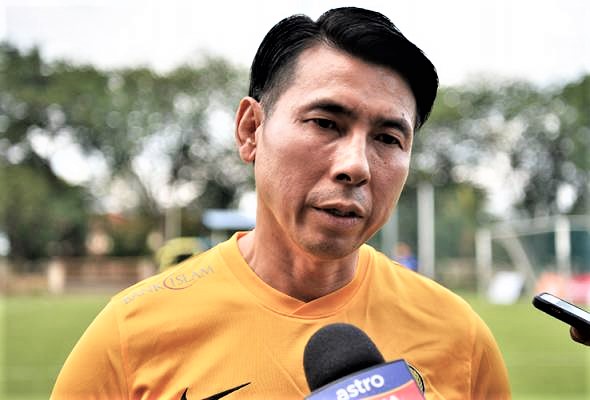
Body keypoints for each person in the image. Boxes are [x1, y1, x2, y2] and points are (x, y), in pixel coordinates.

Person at [51, 7, 511, 399]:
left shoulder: (460, 338)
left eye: (388, 138)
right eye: (325, 123)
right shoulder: (130, 335)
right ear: (251, 130)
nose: (356, 166)